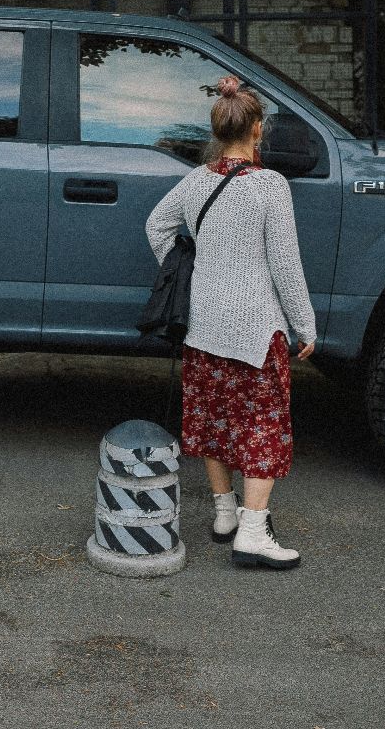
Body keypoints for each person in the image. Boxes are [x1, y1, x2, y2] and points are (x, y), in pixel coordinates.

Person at [144, 75, 316, 569]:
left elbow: (156, 224)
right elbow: (286, 264)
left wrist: (183, 271)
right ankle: (254, 532)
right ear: (257, 129)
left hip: (203, 325)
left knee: (214, 421)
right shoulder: (270, 186)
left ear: (219, 129)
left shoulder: (196, 183)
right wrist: (306, 325)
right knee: (263, 426)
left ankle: (225, 515)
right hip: (256, 330)